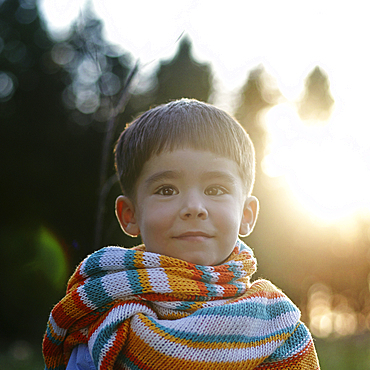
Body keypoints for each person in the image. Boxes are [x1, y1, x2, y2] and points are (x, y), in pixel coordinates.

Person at [43, 99, 320, 369]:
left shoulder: (278, 329)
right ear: (130, 215)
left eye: (215, 190)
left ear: (246, 215)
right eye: (166, 190)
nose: (193, 208)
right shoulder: (99, 318)